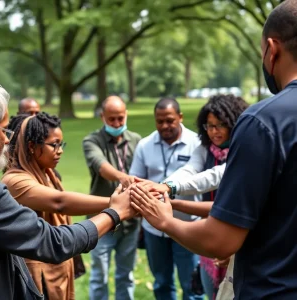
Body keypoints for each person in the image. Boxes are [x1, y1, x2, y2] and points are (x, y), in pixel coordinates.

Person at [130, 1, 297, 299]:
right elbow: (196, 172)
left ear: (272, 50)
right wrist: (171, 190)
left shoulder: (264, 121)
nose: (215, 131)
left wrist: (164, 220)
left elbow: (220, 239)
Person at [0, 84, 136, 300]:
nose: (7, 139)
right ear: (33, 147)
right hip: (37, 275)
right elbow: (59, 203)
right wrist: (115, 206)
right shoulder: (14, 181)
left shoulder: (50, 174)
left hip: (58, 268)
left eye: (61, 144)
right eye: (53, 145)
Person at [129, 97, 202, 300]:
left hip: (187, 226)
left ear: (180, 117)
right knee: (162, 283)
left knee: (192, 285)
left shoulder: (196, 143)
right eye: (159, 121)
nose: (164, 126)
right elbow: (135, 181)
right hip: (154, 229)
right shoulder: (145, 145)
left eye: (169, 120)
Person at [83, 95, 141, 300]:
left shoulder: (137, 141)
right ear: (102, 117)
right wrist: (122, 177)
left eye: (120, 118)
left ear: (126, 115)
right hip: (102, 221)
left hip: (130, 222)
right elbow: (100, 165)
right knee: (100, 276)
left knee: (126, 275)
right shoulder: (91, 141)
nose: (117, 123)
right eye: (111, 119)